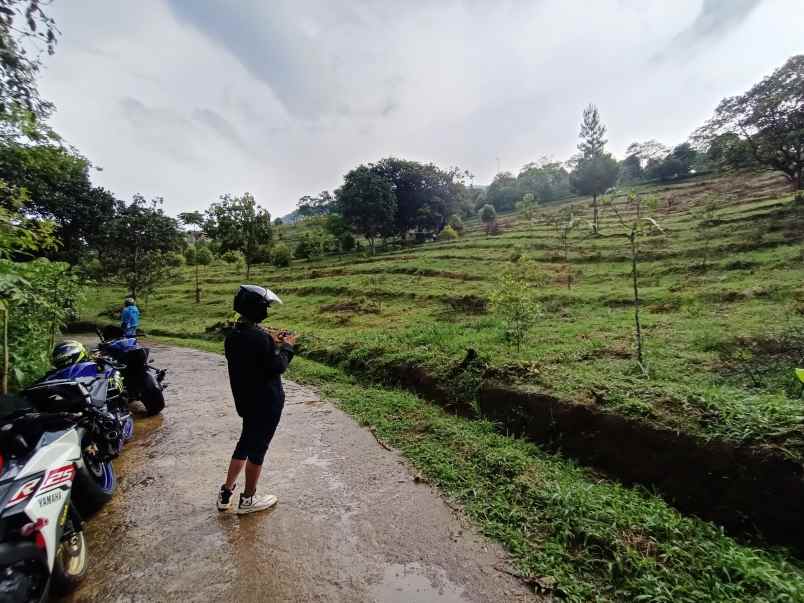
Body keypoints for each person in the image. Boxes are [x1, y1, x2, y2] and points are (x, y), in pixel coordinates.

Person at [217, 284, 296, 514]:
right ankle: (248, 499)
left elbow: (253, 343)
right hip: (267, 402)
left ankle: (225, 493)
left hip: (246, 400)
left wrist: (272, 339)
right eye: (265, 307)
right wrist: (287, 347)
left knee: (244, 443)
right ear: (257, 309)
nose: (267, 311)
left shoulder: (233, 336)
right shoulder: (261, 340)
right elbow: (278, 366)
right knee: (258, 449)